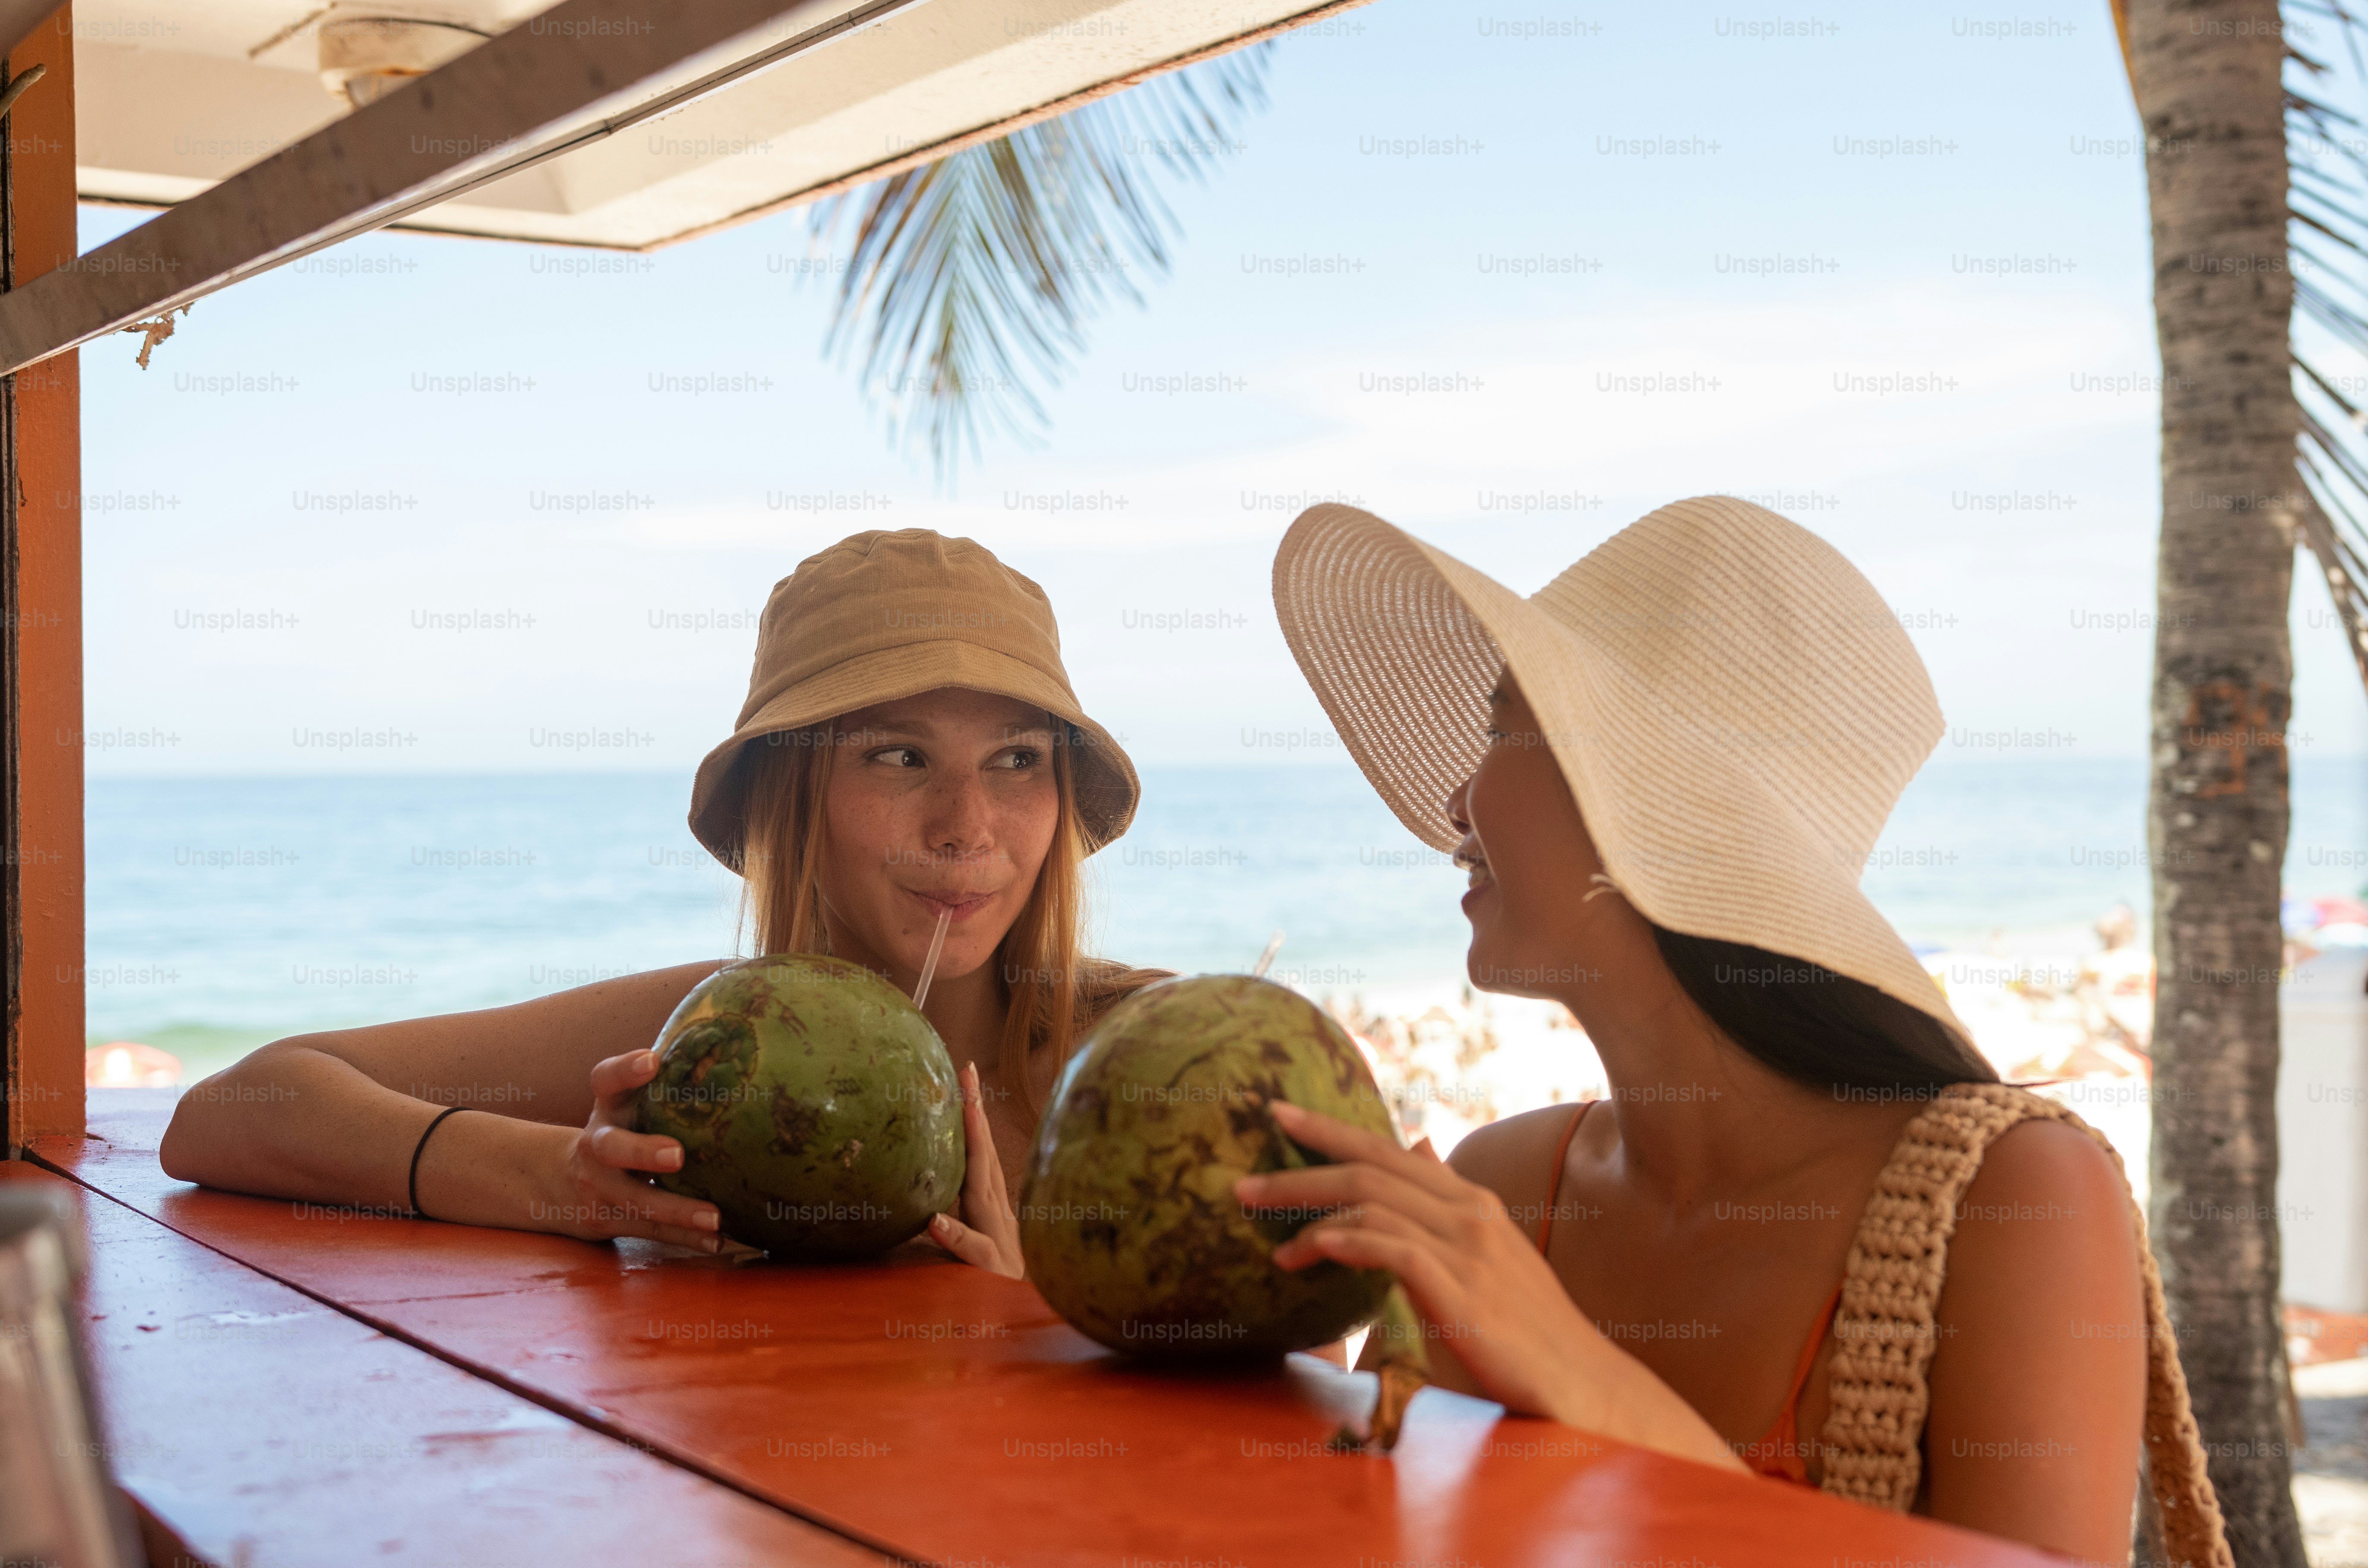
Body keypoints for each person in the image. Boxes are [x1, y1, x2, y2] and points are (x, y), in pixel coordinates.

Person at [1236, 498, 2229, 1567]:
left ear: (1638, 799)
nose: (1453, 802)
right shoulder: (1498, 1188)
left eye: (1499, 727)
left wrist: (1582, 1377)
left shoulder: (2013, 1197)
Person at [160, 530, 1167, 1278]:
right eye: (897, 755)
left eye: (1016, 759)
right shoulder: (705, 1051)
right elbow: (234, 1111)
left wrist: (1022, 1324)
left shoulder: (1154, 1063)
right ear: (787, 797)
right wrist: (567, 1177)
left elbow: (1300, 1444)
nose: (965, 824)